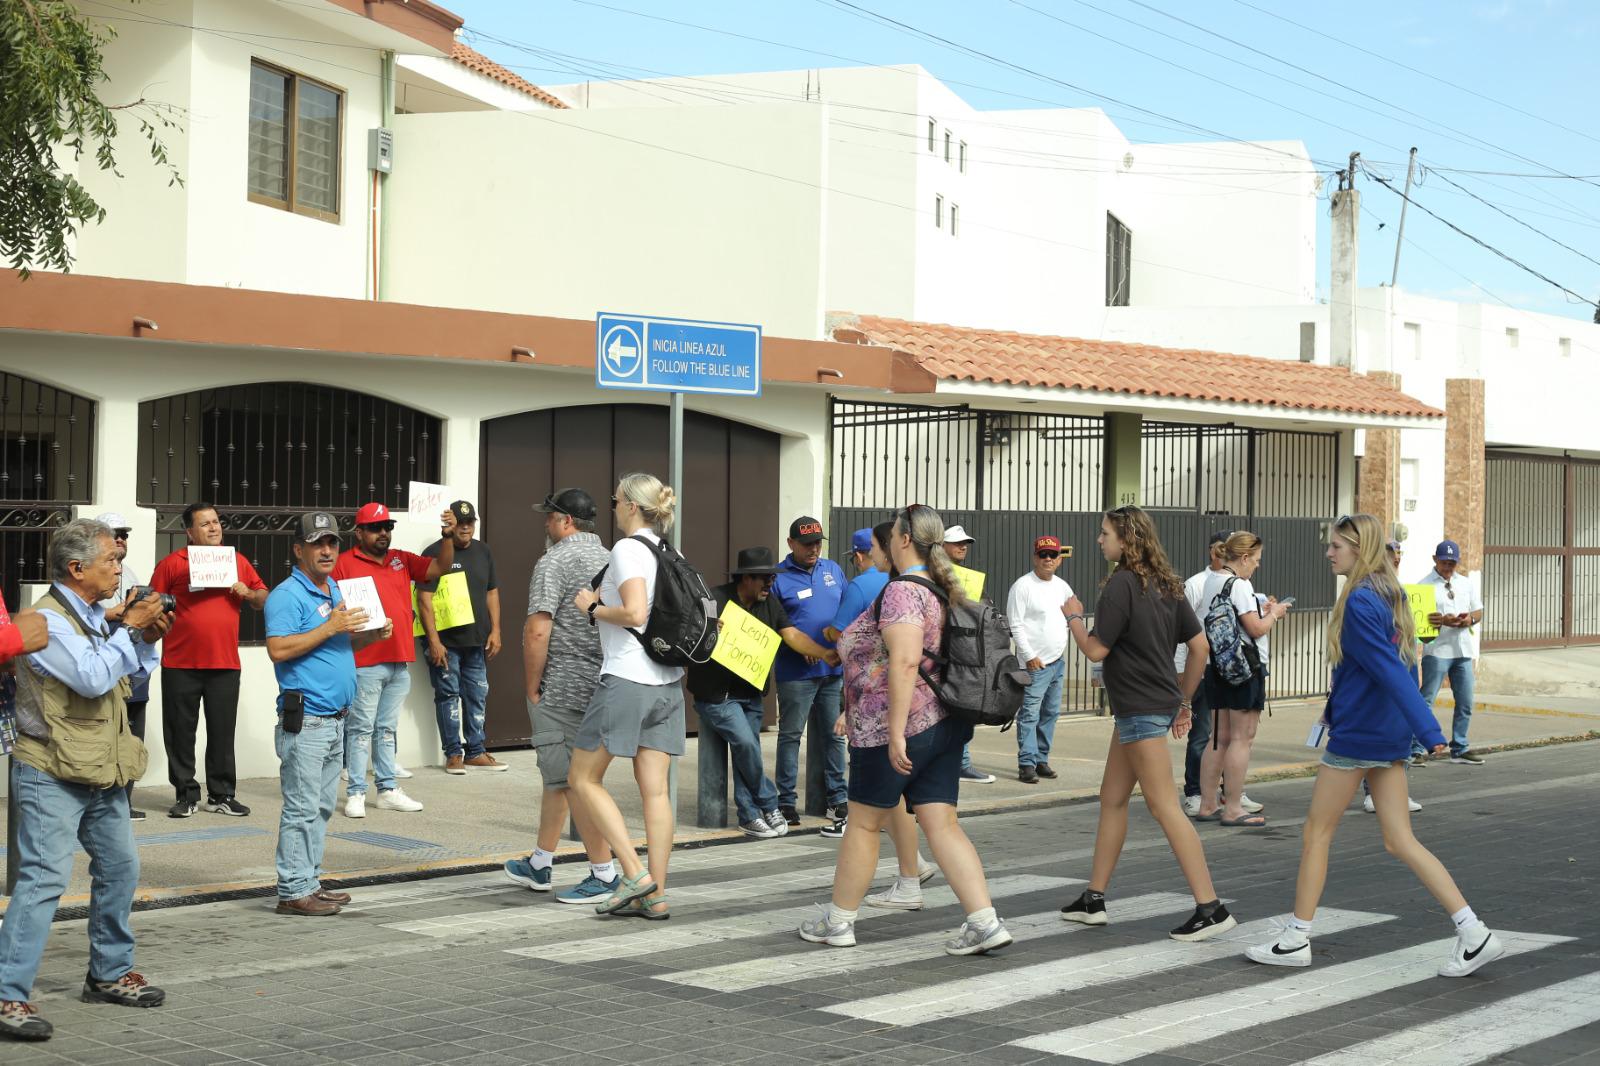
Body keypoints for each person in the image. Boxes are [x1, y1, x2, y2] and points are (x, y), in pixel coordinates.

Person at [1247, 514, 1503, 976]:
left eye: (1336, 546)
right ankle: (1474, 932)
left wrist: (1429, 731)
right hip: (1384, 731)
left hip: (1362, 734)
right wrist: (1407, 727)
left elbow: (1388, 668)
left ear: (1358, 549)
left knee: (1316, 833)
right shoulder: (1389, 593)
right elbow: (1404, 666)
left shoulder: (1362, 600)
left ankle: (1296, 938)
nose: (1328, 553)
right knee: (1399, 839)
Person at [800, 503, 1012, 955]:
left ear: (904, 539)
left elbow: (905, 661)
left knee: (862, 825)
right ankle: (984, 922)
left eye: (893, 532)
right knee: (943, 823)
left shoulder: (902, 592)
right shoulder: (939, 587)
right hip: (943, 722)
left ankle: (838, 922)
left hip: (892, 728)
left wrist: (896, 732)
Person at [0, 519, 164, 1043]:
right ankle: (6, 993)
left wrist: (145, 638)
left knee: (121, 867)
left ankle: (109, 973)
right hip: (51, 769)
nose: (119, 568)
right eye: (110, 560)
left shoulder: (96, 615)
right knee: (43, 881)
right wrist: (129, 629)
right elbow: (91, 678)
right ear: (76, 568)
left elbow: (128, 677)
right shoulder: (49, 620)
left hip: (100, 767)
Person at [1057, 505, 1236, 943]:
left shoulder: (1122, 584)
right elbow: (1200, 648)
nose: (1100, 540)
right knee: (1112, 798)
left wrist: (1074, 618)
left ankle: (1210, 908)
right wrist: (1185, 700)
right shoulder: (1167, 584)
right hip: (1145, 706)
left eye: (1105, 533)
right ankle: (1093, 899)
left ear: (1126, 539)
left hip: (1138, 708)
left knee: (1164, 807)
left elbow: (1096, 650)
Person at [265, 512, 393, 917]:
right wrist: (330, 627)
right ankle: (292, 891)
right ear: (298, 550)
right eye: (317, 543)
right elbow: (278, 649)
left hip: (335, 719)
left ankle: (309, 882)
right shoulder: (287, 595)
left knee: (319, 808)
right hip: (306, 721)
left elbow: (339, 645)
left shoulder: (334, 588)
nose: (326, 550)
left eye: (332, 542)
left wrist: (371, 634)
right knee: (301, 809)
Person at [568, 473, 683, 920]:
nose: (612, 506)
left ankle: (634, 874)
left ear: (632, 506)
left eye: (616, 500)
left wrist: (592, 608)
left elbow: (634, 612)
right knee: (656, 793)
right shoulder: (669, 550)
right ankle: (657, 895)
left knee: (583, 777)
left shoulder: (627, 549)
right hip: (667, 681)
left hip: (628, 677)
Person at [505, 488, 619, 903]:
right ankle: (540, 862)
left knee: (575, 782)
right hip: (604, 683)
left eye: (550, 517)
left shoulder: (554, 560)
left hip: (563, 686)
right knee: (561, 777)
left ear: (566, 521)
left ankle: (604, 872)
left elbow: (538, 629)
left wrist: (532, 685)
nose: (546, 523)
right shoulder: (610, 557)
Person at [688, 546, 839, 838]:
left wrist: (824, 654)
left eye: (773, 577)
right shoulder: (715, 600)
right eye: (765, 578)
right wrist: (708, 629)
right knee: (746, 745)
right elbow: (689, 633)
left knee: (749, 752)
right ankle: (769, 804)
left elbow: (792, 634)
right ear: (746, 578)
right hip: (718, 695)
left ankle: (749, 815)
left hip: (751, 693)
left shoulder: (770, 603)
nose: (771, 583)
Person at [330, 502, 457, 818]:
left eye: (387, 527)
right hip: (365, 660)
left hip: (399, 660)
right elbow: (330, 604)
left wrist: (447, 537)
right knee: (360, 729)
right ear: (359, 532)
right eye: (375, 528)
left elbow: (440, 567)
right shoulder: (343, 563)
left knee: (386, 729)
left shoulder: (401, 558)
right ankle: (356, 792)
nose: (383, 533)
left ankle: (387, 790)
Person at [149, 501, 269, 818]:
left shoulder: (237, 562)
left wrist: (248, 593)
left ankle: (221, 795)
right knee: (180, 733)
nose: (214, 528)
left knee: (222, 733)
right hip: (180, 663)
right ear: (189, 532)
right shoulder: (172, 564)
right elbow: (152, 603)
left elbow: (262, 598)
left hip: (224, 663)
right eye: (205, 524)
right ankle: (185, 794)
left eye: (216, 522)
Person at [1194, 532, 1287, 828]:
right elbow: (1256, 629)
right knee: (1241, 739)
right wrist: (1275, 614)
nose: (1257, 565)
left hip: (1216, 666)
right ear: (1244, 558)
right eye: (1256, 560)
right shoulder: (1240, 585)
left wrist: (1261, 611)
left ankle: (1207, 804)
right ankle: (1233, 808)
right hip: (1243, 669)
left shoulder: (1212, 580)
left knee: (1218, 737)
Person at [418, 500, 507, 773]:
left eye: (470, 522)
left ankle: (476, 751)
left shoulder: (483, 551)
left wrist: (496, 629)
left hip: (476, 641)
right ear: (450, 524)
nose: (466, 528)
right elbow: (424, 598)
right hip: (445, 644)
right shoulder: (434, 552)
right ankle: (453, 754)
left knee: (477, 695)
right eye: (460, 523)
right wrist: (433, 641)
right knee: (448, 695)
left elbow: (492, 591)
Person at [772, 516, 847, 831]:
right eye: (806, 544)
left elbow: (847, 610)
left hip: (832, 669)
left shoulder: (833, 570)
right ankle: (786, 801)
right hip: (795, 672)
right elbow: (772, 623)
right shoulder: (778, 577)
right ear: (791, 543)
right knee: (791, 736)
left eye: (817, 543)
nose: (814, 549)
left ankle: (837, 798)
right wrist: (795, 646)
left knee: (834, 735)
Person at [94, 512, 154, 821]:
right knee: (105, 737)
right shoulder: (90, 572)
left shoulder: (128, 572)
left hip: (134, 666)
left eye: (124, 535)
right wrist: (116, 614)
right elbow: (85, 614)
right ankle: (103, 807)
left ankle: (124, 803)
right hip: (104, 665)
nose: (120, 539)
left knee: (132, 737)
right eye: (114, 533)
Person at [1007, 535, 1073, 784]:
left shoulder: (1062, 586)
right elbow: (1015, 624)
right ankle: (1027, 763)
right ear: (1035, 557)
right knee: (1030, 714)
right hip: (1035, 664)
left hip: (1057, 662)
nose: (1048, 559)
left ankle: (1041, 759)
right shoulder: (1023, 586)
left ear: (1059, 559)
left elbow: (1072, 612)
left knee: (1050, 713)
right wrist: (1029, 656)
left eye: (1052, 555)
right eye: (1042, 554)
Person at [1418, 540, 1486, 765]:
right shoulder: (1424, 586)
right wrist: (1440, 621)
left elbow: (1478, 610)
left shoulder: (1465, 583)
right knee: (1425, 701)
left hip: (1462, 650)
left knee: (1465, 701)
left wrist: (1469, 620)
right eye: (1444, 562)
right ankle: (1416, 748)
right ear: (1435, 560)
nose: (1448, 567)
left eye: (1452, 563)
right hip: (1437, 650)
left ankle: (1460, 746)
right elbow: (1419, 623)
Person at [943, 525, 994, 784]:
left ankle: (960, 763)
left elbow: (981, 609)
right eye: (956, 543)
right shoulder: (933, 574)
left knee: (964, 707)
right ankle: (957, 763)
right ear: (942, 546)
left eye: (965, 543)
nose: (963, 546)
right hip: (944, 652)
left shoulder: (970, 578)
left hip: (964, 650)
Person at [822, 528, 889, 645]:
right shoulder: (899, 576)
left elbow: (837, 633)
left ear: (859, 556)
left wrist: (828, 632)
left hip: (871, 654)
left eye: (852, 559)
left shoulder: (859, 585)